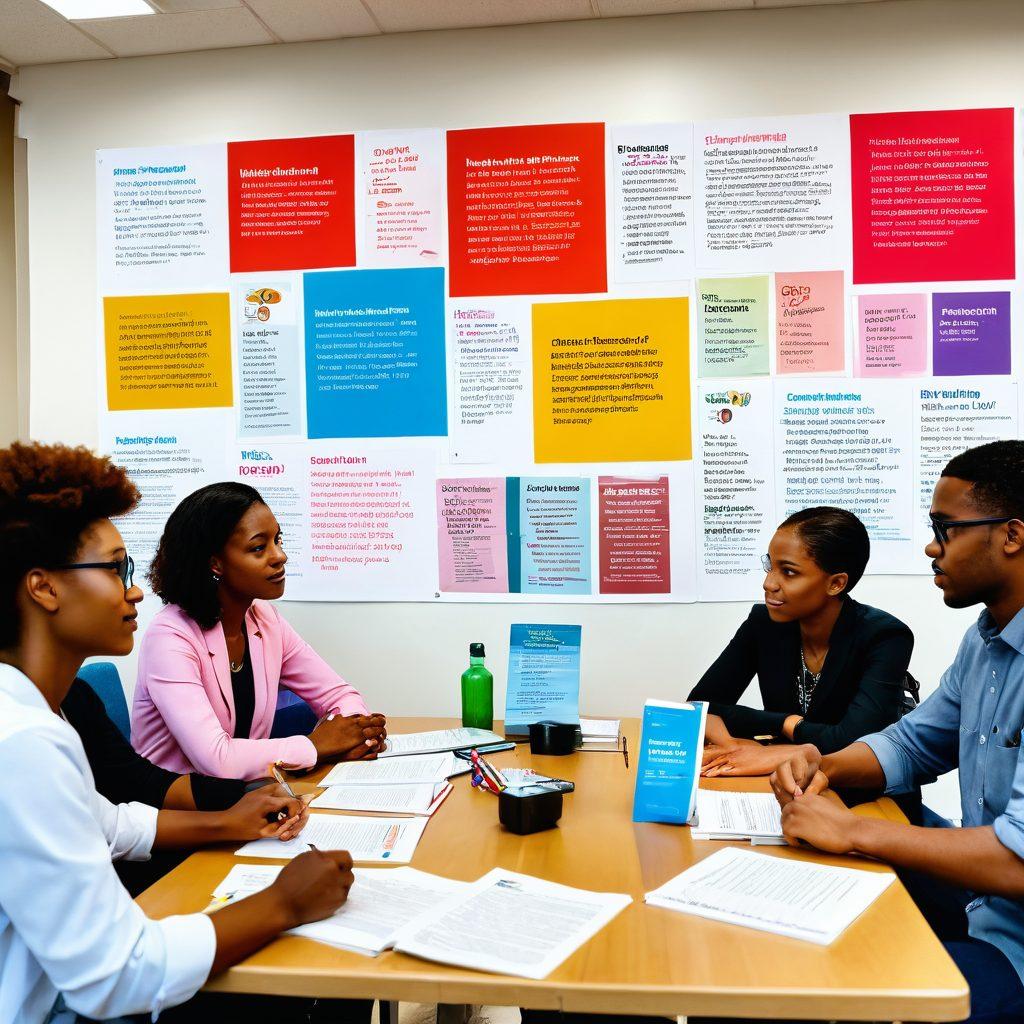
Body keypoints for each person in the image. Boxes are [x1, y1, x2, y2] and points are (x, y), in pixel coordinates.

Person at [0, 441, 356, 1024]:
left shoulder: (46, 712)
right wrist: (283, 903)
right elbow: (116, 976)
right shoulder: (22, 743)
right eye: (116, 570)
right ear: (44, 588)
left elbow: (112, 823)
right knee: (306, 969)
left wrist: (227, 821)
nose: (134, 590)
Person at [771, 441, 1024, 1023]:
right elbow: (913, 743)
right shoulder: (985, 641)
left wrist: (853, 830)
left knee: (829, 991)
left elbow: (1017, 858)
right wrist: (826, 765)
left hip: (1014, 943)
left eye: (947, 529)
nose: (933, 548)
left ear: (1011, 535)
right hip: (981, 902)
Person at [132, 482, 387, 779]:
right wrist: (316, 746)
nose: (279, 556)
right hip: (177, 809)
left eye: (278, 540)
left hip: (247, 797)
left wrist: (357, 732)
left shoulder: (264, 619)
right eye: (258, 547)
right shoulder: (170, 637)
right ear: (215, 563)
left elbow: (337, 693)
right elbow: (218, 760)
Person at [690, 506, 914, 778]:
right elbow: (699, 707)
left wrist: (777, 744)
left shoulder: (885, 637)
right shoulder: (764, 623)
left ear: (836, 583)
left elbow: (857, 743)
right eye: (769, 566)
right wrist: (786, 723)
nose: (769, 583)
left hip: (860, 794)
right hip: (786, 782)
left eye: (789, 572)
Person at [62, 675, 311, 895]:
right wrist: (227, 819)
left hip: (140, 844)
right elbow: (110, 828)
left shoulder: (74, 694)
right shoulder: (28, 733)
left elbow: (135, 781)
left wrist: (244, 794)